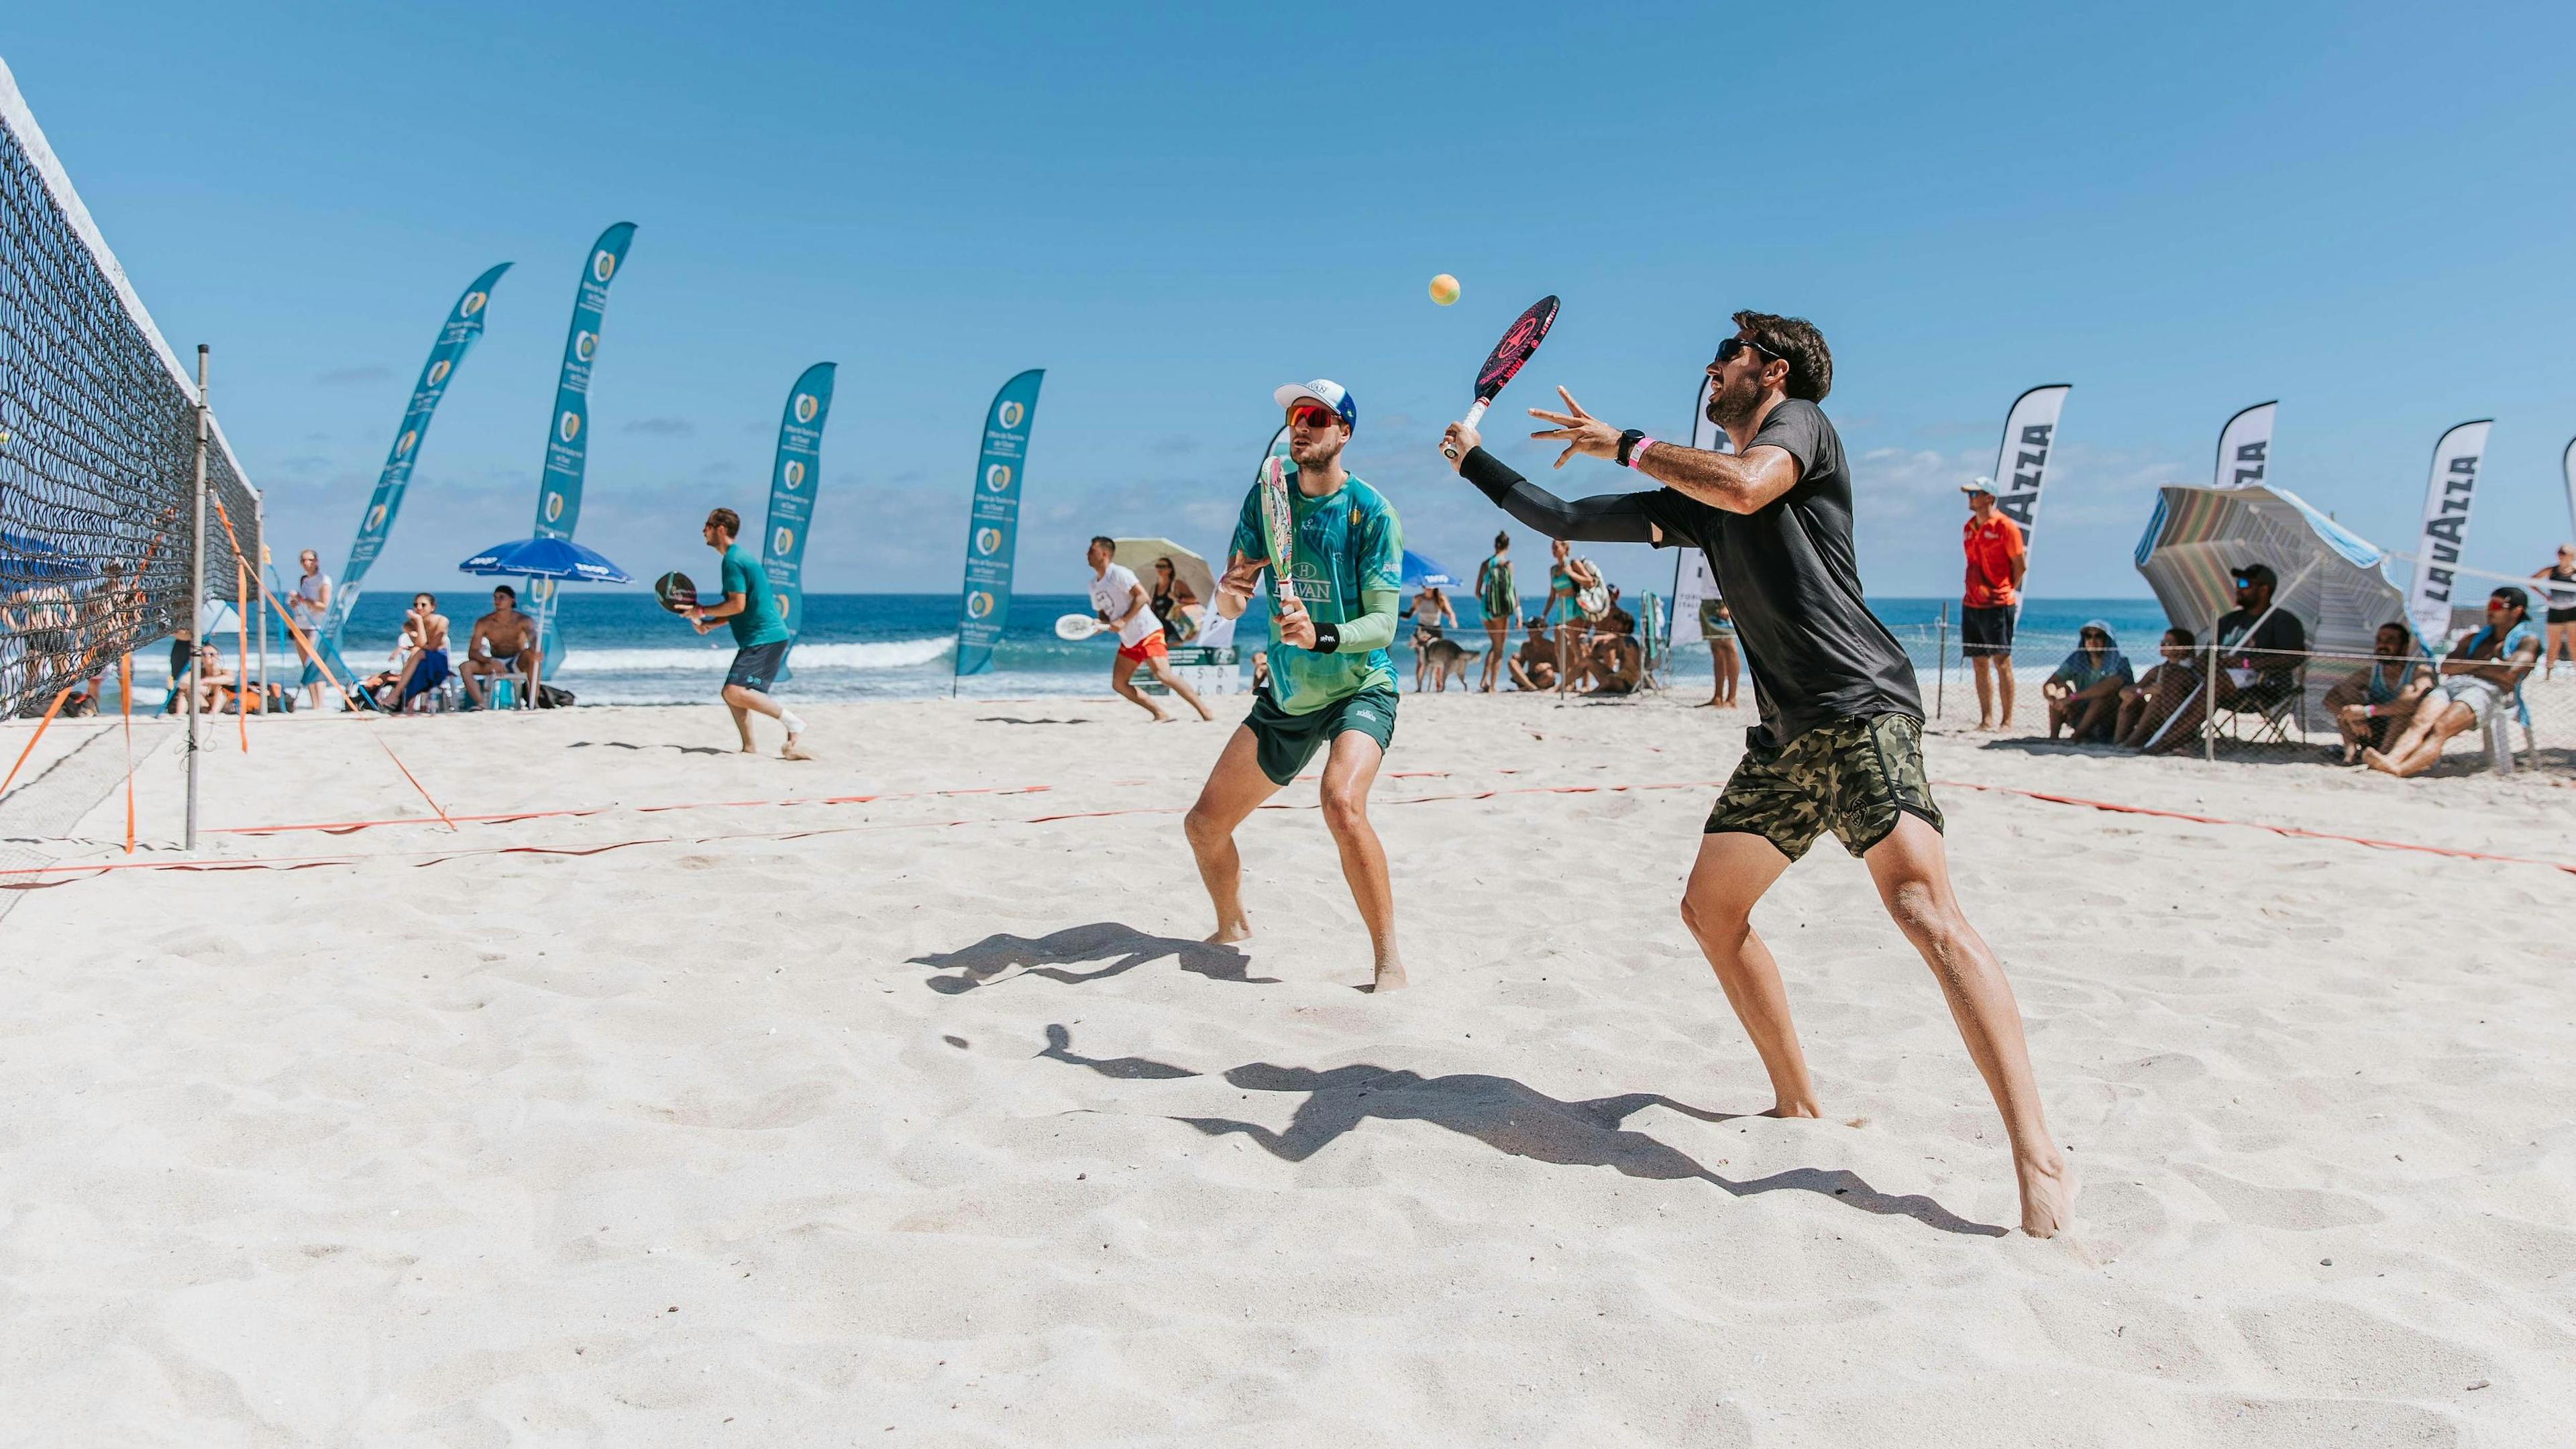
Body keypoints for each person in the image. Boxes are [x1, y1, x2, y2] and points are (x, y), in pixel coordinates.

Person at [1446, 309, 2072, 1236]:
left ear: (1770, 372)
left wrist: (1626, 442)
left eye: (1726, 355)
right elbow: (1566, 517)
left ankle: (2039, 1162)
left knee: (1921, 910)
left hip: (1859, 707)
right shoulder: (1696, 494)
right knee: (1711, 911)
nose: (1710, 364)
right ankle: (1796, 1102)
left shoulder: (1802, 429)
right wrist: (1474, 463)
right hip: (1784, 739)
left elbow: (1747, 487)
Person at [1185, 378, 1406, 991]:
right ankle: (1231, 927)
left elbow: (1384, 625)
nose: (1300, 425)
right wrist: (1230, 592)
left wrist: (1322, 635)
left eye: (1314, 415)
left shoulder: (1371, 512)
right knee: (1204, 826)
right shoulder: (1266, 497)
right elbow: (1229, 607)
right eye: (1293, 416)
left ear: (1344, 431)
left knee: (1341, 802)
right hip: (1288, 695)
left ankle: (1389, 962)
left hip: (1359, 685)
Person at [2365, 588, 2541, 777]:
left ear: (2517, 611)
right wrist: (2488, 665)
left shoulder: (2528, 641)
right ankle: (2392, 759)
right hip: (2454, 685)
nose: (2490, 610)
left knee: (2441, 727)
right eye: (2489, 605)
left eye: (2497, 605)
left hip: (2488, 691)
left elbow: (2510, 672)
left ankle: (2400, 770)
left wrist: (2468, 665)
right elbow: (2447, 667)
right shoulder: (2474, 639)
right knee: (2419, 723)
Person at [684, 508, 812, 758]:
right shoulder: (737, 557)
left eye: (707, 525)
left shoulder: (732, 560)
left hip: (766, 637)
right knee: (733, 694)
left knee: (733, 691)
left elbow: (737, 605)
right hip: (762, 637)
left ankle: (792, 722)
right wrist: (709, 623)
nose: (703, 531)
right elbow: (738, 609)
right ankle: (749, 748)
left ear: (721, 529)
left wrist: (700, 610)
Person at [2143, 563, 2308, 754]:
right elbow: (2208, 654)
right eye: (2238, 582)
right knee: (2176, 675)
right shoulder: (2230, 621)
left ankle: (2168, 740)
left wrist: (2246, 663)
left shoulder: (2283, 621)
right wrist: (2206, 665)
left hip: (2263, 686)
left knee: (2218, 680)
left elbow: (2293, 659)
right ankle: (2180, 740)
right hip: (2219, 682)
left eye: (2245, 583)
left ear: (2264, 590)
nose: (2238, 587)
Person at [1089, 537, 1212, 723]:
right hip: (1129, 639)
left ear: (1104, 554)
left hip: (1148, 631)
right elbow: (1105, 613)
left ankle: (1205, 712)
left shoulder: (1119, 573)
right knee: (1119, 684)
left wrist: (1122, 621)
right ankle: (1159, 713)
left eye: (1091, 551)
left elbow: (1142, 598)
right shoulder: (1093, 585)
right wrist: (1100, 624)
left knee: (1163, 674)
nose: (1087, 555)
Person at [1958, 477, 2025, 731]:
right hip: (1972, 602)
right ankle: (1986, 718)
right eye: (1970, 493)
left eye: (1976, 493)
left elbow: (2020, 566)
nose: (1971, 498)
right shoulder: (1968, 527)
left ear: (1989, 497)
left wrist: (2005, 589)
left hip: (1998, 603)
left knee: (2002, 660)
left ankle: (2006, 720)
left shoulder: (2006, 527)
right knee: (1978, 662)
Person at [2323, 622, 2430, 764]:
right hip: (2372, 730)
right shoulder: (2369, 673)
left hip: (2407, 733)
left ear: (2405, 647)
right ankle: (2350, 754)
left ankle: (2384, 755)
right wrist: (2354, 718)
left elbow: (2413, 703)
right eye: (2379, 640)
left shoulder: (2420, 672)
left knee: (2402, 708)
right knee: (2346, 705)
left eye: (2390, 641)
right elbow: (2331, 697)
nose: (2383, 645)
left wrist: (2367, 711)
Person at [2041, 621, 2131, 742]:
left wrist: (2073, 698)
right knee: (2060, 689)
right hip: (2080, 709)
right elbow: (2052, 682)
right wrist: (2053, 698)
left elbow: (2109, 686)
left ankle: (2076, 737)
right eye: (2088, 636)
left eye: (2098, 636)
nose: (2092, 640)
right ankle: (2053, 738)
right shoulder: (2077, 659)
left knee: (2100, 699)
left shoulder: (2120, 662)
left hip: (2110, 716)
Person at [460, 584, 543, 710]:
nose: (497, 601)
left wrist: (537, 650)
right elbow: (473, 652)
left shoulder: (523, 620)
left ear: (512, 600)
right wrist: (490, 660)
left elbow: (533, 638)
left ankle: (534, 702)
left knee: (532, 655)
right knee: (465, 667)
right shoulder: (484, 622)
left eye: (501, 597)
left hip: (516, 661)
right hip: (494, 661)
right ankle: (481, 704)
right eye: (495, 597)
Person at [2113, 628, 2198, 749]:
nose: (2162, 645)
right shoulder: (2160, 669)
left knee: (2155, 699)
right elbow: (2133, 688)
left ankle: (2132, 742)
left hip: (2179, 717)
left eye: (2168, 643)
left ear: (2182, 648)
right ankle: (2119, 742)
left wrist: (2141, 692)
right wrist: (2131, 694)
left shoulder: (2187, 671)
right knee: (2131, 701)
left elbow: (2161, 690)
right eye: (2162, 642)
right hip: (2159, 716)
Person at [391, 593, 451, 712]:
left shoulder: (441, 621)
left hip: (438, 663)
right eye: (416, 605)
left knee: (417, 653)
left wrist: (418, 621)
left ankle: (397, 697)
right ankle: (410, 707)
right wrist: (419, 622)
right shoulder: (408, 625)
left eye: (423, 605)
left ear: (432, 607)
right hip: (422, 663)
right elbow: (422, 645)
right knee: (418, 657)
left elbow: (431, 648)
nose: (419, 607)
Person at [1475, 531, 1515, 692]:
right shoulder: (1507, 564)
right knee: (1500, 648)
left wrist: (1488, 603)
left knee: (1494, 644)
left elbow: (1477, 592)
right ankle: (1492, 686)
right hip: (1501, 611)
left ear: (1495, 545)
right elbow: (1511, 591)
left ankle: (1484, 680)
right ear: (1508, 546)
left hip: (1485, 608)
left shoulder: (1485, 564)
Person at [2534, 543, 2576, 680]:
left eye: (2564, 553)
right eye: (2560, 553)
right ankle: (2548, 674)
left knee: (2573, 644)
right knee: (2554, 644)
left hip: (2572, 611)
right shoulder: (2551, 571)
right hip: (2555, 610)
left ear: (2572, 555)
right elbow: (2532, 581)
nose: (2561, 556)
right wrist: (2544, 596)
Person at [1699, 595, 1740, 709]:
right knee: (1716, 649)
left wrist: (1726, 604)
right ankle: (1718, 697)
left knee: (1729, 647)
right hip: (1707, 600)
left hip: (1720, 600)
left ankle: (1732, 699)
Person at [1149, 556, 1203, 641]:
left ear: (1170, 570)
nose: (1160, 569)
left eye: (1163, 566)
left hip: (1175, 628)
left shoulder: (1177, 585)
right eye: (1158, 566)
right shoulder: (1154, 588)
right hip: (1159, 629)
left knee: (1174, 653)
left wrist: (1178, 598)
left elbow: (1195, 600)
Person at [1507, 614, 1557, 691]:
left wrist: (1547, 665)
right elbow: (1521, 665)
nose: (1529, 631)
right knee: (1512, 662)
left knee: (1549, 674)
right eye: (1528, 628)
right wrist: (1517, 659)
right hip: (1529, 678)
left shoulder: (1550, 646)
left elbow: (1559, 668)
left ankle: (1529, 687)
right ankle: (1531, 687)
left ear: (1540, 630)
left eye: (1531, 628)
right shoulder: (1526, 645)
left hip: (1543, 677)